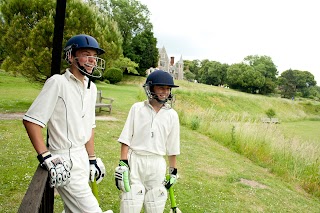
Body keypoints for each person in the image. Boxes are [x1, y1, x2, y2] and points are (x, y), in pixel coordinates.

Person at [23, 34, 113, 213]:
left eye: (94, 56)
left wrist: (92, 158)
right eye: (86, 54)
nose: (91, 60)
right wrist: (46, 156)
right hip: (63, 158)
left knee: (72, 210)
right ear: (71, 56)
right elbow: (31, 121)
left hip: (81, 156)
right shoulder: (57, 82)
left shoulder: (91, 87)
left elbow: (89, 127)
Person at [114, 70, 181, 213]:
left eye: (168, 89)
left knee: (155, 207)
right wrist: (123, 163)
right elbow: (126, 137)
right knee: (130, 206)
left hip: (157, 164)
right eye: (161, 88)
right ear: (150, 88)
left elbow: (172, 146)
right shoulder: (137, 108)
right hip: (136, 160)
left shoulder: (172, 115)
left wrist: (173, 171)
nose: (165, 92)